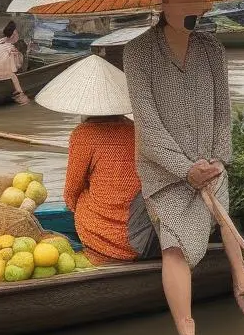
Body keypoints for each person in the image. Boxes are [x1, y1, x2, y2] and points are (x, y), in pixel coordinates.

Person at [123, 0, 244, 335]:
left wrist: (216, 161)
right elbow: (147, 126)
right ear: (164, 4)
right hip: (165, 173)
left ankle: (241, 275)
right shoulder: (138, 52)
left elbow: (224, 111)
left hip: (209, 161)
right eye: (187, 4)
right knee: (174, 246)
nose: (195, 12)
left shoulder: (211, 49)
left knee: (223, 209)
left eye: (199, 4)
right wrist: (186, 169)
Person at [36, 55, 157, 263]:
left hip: (107, 237)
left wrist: (76, 205)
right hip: (145, 233)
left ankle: (97, 251)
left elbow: (71, 191)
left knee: (80, 197)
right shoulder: (139, 130)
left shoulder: (83, 135)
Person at [0, 21, 29, 104]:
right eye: (17, 33)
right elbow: (16, 68)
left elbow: (0, 41)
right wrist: (20, 55)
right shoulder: (13, 49)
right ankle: (21, 95)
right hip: (9, 79)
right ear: (14, 34)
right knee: (24, 99)